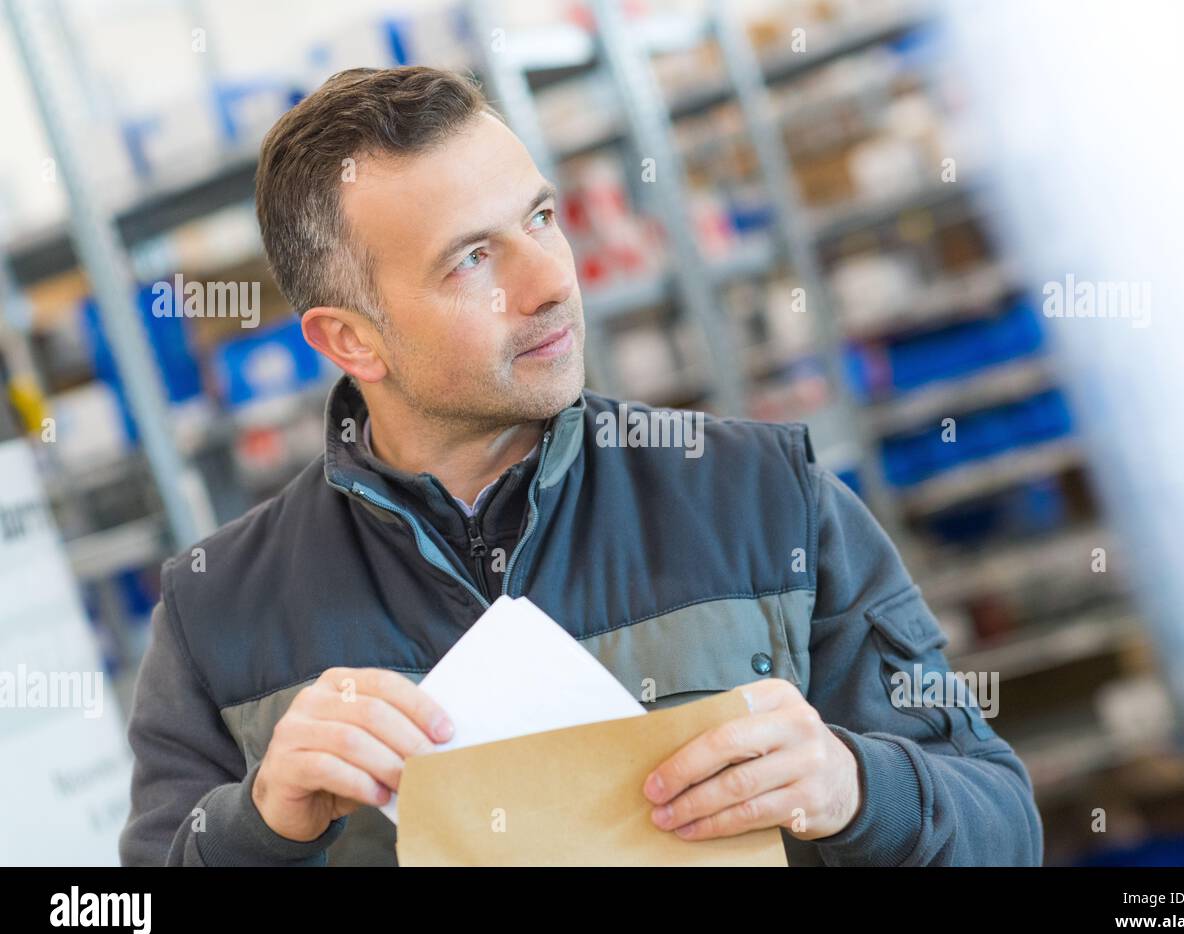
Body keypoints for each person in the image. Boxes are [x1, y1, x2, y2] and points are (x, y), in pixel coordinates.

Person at [119, 66, 1042, 866]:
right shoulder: (215, 615)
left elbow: (1004, 827)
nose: (551, 280)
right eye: (474, 258)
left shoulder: (765, 497)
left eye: (542, 217)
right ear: (351, 339)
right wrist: (255, 827)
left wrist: (855, 787)